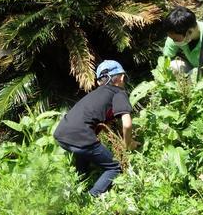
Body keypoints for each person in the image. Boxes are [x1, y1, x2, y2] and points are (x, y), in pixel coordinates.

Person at [53, 60, 139, 197]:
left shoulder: (96, 95)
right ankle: (91, 198)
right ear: (122, 77)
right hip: (81, 135)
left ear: (99, 82)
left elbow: (101, 125)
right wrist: (128, 143)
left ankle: (75, 189)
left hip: (61, 133)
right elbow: (127, 124)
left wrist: (114, 141)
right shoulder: (118, 93)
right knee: (116, 166)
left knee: (83, 154)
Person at [163, 6, 203, 74]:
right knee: (171, 67)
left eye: (175, 39)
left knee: (194, 74)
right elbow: (166, 57)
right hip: (190, 64)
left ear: (190, 31)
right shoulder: (175, 32)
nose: (173, 41)